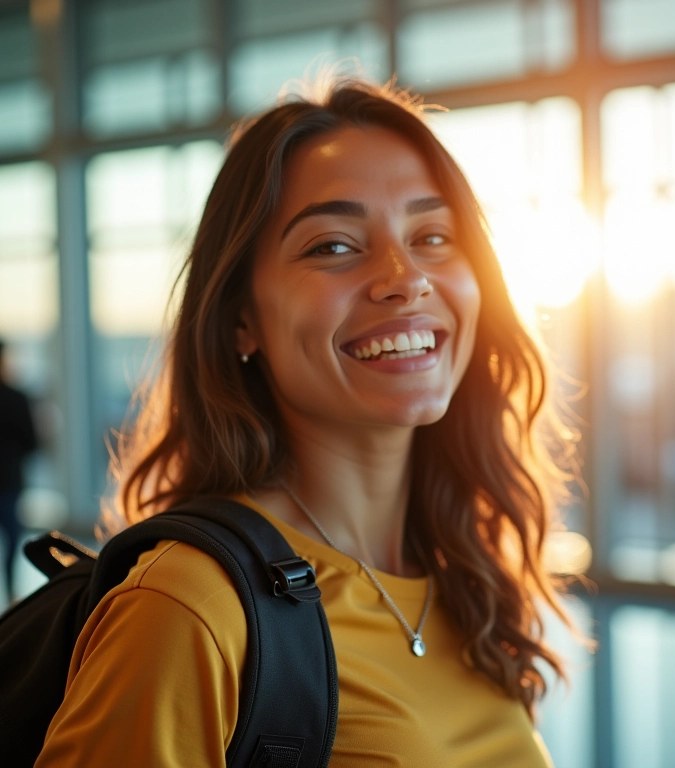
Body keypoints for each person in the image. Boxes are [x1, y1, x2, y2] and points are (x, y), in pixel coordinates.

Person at [36, 78, 576, 767]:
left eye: (433, 235)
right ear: (241, 319)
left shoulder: (461, 574)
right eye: (333, 246)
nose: (405, 277)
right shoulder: (189, 607)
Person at [0, 340, 38, 599]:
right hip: (9, 477)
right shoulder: (16, 398)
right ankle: (11, 588)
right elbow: (31, 441)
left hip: (10, 478)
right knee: (12, 536)